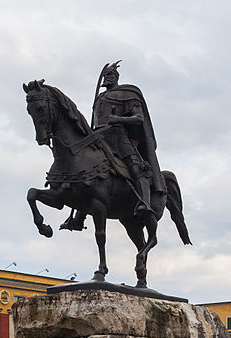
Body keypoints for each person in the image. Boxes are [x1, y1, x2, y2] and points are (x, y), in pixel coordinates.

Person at [60, 61, 165, 231]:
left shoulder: (127, 94)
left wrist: (119, 119)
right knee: (83, 170)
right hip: (97, 137)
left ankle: (145, 203)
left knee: (137, 168)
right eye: (105, 76)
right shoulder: (100, 98)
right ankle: (79, 218)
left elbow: (139, 118)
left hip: (118, 137)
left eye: (110, 75)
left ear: (116, 77)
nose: (107, 78)